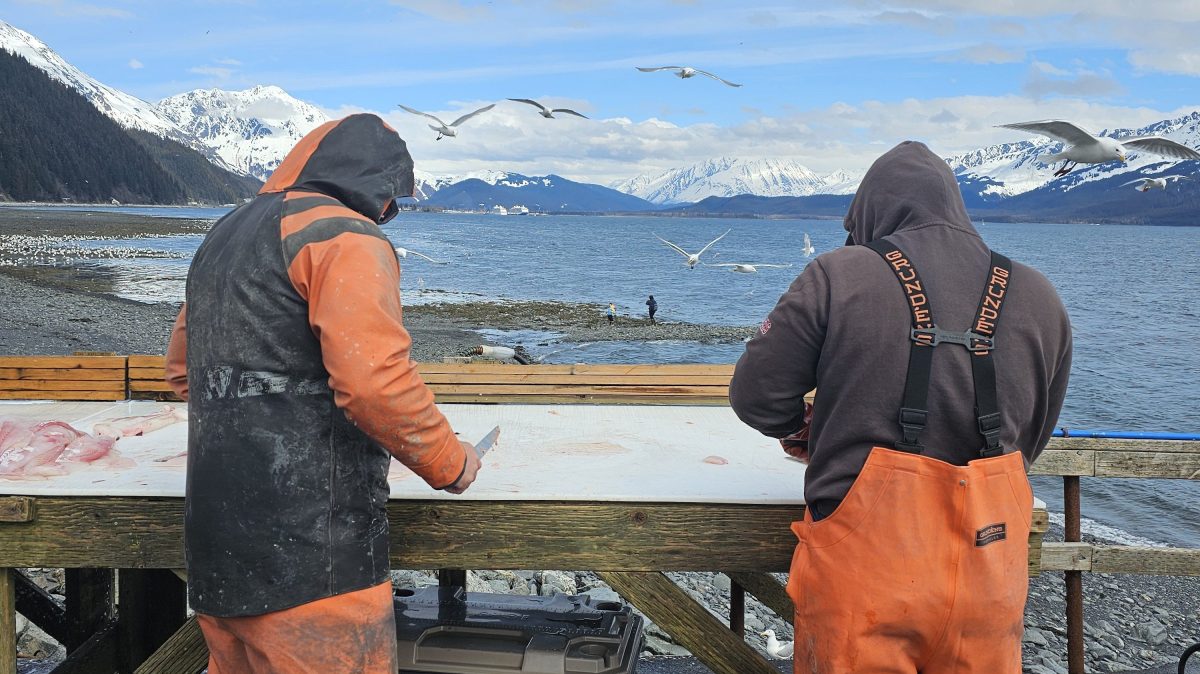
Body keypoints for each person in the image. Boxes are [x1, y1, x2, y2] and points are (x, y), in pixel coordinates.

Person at [729, 140, 1071, 673]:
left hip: (865, 572)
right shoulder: (1041, 295)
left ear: (869, 211)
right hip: (991, 567)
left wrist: (808, 431)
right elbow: (1033, 435)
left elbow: (755, 395)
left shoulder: (837, 274)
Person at [163, 113, 481, 674]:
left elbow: (184, 371)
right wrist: (450, 461)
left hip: (218, 546)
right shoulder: (343, 235)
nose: (390, 213)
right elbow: (372, 383)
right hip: (316, 556)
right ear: (376, 184)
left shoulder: (225, 233)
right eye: (391, 199)